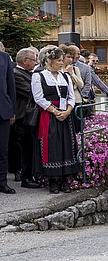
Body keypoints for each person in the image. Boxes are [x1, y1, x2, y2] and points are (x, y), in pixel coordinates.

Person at [31, 47, 79, 194]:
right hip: (49, 115)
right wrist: (55, 111)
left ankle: (65, 179)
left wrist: (68, 111)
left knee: (67, 145)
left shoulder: (64, 76)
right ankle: (53, 180)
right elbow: (38, 98)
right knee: (52, 146)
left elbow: (71, 96)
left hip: (66, 115)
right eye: (59, 60)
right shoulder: (39, 76)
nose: (61, 63)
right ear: (49, 61)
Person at [11, 48, 41, 189]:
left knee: (30, 146)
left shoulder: (30, 73)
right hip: (23, 116)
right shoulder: (16, 74)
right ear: (25, 61)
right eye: (33, 60)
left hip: (29, 115)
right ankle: (25, 176)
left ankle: (30, 174)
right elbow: (30, 91)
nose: (35, 62)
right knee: (24, 148)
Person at [0, 48, 16, 194]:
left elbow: (11, 85)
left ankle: (2, 182)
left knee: (2, 150)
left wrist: (13, 110)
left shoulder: (5, 58)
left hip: (3, 111)